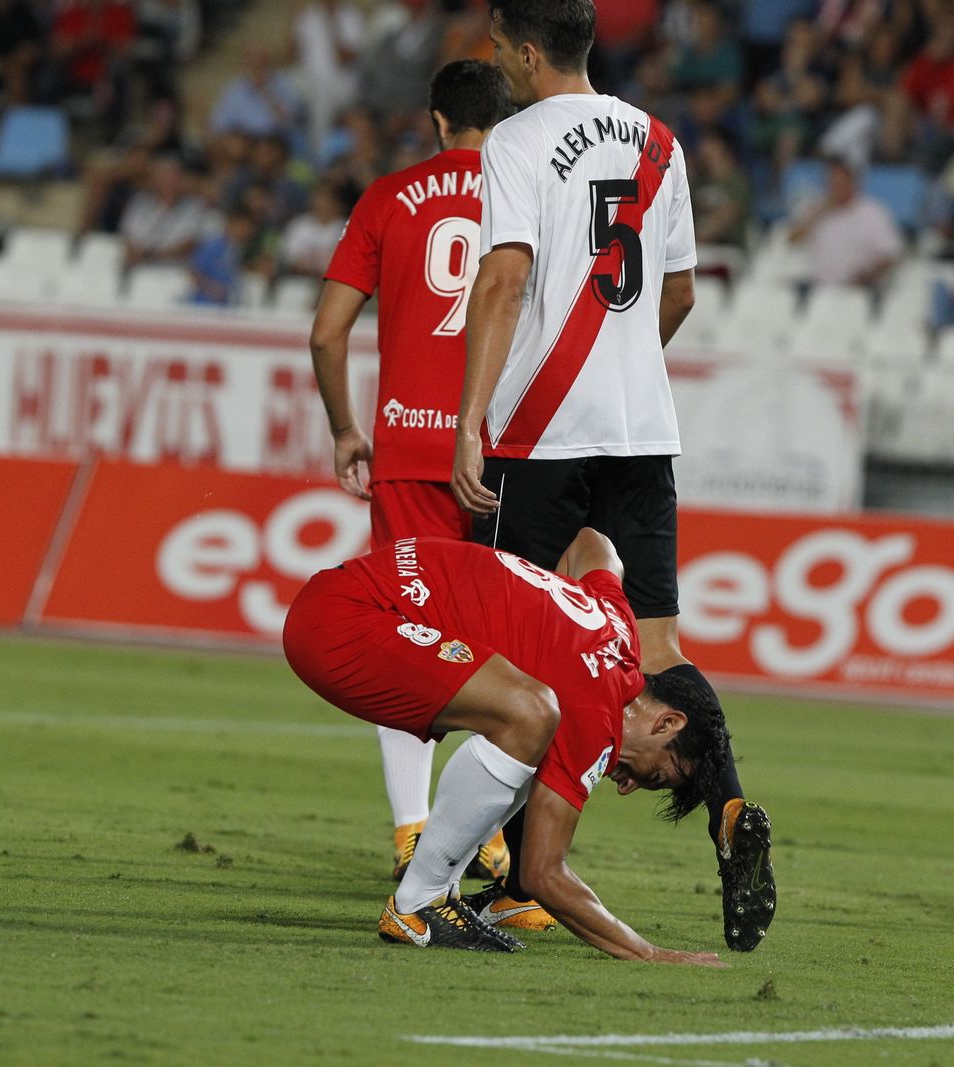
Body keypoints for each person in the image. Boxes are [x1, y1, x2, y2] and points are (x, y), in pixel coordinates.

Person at [449, 0, 774, 954]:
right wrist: (624, 368)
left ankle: (498, 876)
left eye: (502, 49)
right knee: (659, 642)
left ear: (529, 50)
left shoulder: (513, 140)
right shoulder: (658, 139)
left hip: (542, 433)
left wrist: (474, 417)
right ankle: (728, 805)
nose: (496, 63)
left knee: (507, 652)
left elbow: (505, 279)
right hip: (639, 428)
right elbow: (677, 290)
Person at [283, 527, 730, 965]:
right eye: (654, 775)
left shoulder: (618, 628)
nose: (626, 785)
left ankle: (437, 896)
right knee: (533, 712)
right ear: (667, 722)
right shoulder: (595, 721)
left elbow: (593, 543)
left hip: (353, 591)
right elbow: (542, 873)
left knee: (535, 718)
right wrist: (647, 951)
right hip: (345, 626)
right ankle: (418, 904)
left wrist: (540, 621)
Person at [309, 60, 517, 893]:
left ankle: (413, 828)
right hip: (502, 454)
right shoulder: (528, 196)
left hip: (405, 454)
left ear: (437, 122)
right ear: (506, 124)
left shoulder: (387, 198)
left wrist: (346, 429)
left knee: (410, 643)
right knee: (511, 651)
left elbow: (327, 335)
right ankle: (497, 847)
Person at [788, 155, 904, 289]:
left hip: (860, 291)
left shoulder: (873, 213)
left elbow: (890, 255)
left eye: (840, 182)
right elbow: (792, 240)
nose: (836, 188)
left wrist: (866, 276)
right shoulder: (817, 211)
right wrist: (817, 215)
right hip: (820, 291)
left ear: (852, 182)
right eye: (832, 183)